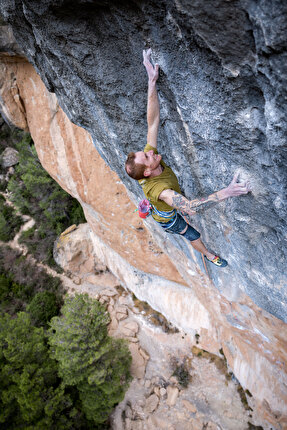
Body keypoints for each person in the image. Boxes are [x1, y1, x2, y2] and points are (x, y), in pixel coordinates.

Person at [125, 49, 251, 267]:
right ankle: (210, 257)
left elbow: (152, 121)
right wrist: (228, 192)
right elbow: (191, 207)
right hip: (167, 218)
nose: (150, 151)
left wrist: (151, 83)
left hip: (160, 198)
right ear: (147, 171)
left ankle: (146, 207)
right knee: (191, 233)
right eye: (147, 156)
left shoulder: (150, 162)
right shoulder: (163, 192)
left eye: (146, 152)